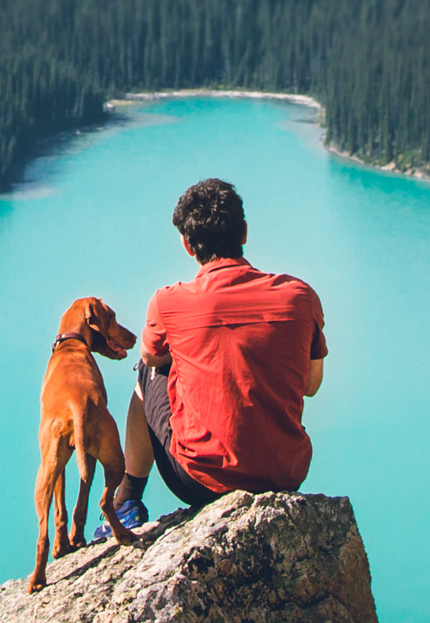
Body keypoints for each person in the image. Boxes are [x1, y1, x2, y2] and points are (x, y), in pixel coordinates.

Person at [103, 176, 327, 533]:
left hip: (200, 483)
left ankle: (126, 500)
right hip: (287, 475)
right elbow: (311, 385)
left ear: (188, 245)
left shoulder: (169, 302)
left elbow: (150, 356)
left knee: (148, 368)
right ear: (244, 232)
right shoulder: (300, 296)